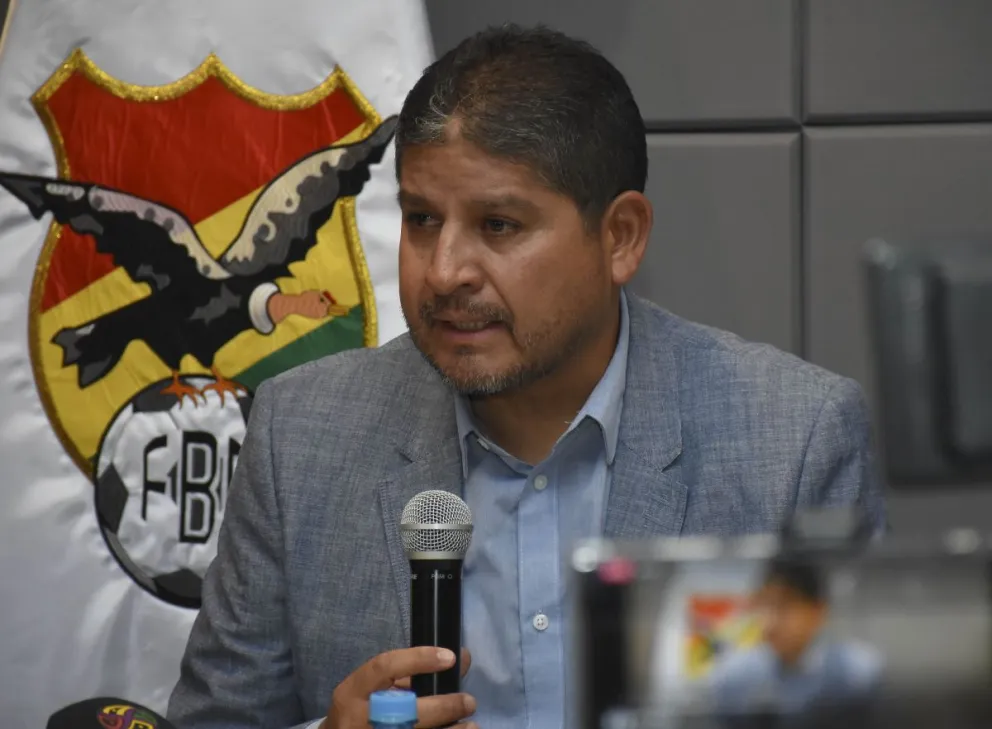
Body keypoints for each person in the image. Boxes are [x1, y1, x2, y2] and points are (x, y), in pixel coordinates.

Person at [166, 23, 886, 729]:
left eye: (499, 225)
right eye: (421, 219)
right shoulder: (300, 436)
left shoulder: (793, 442)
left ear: (620, 237)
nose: (444, 271)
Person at [706, 558, 883, 725]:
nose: (770, 622)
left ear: (818, 611)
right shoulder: (735, 675)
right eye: (764, 605)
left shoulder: (855, 672)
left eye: (785, 606)